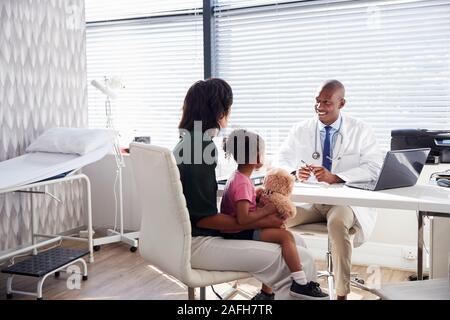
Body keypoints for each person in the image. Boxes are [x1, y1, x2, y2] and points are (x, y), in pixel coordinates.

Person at [174, 78, 319, 300]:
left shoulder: (187, 142)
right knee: (302, 257)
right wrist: (263, 219)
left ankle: (267, 296)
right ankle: (294, 292)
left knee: (296, 242)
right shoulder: (199, 148)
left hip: (184, 238)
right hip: (198, 243)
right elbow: (203, 219)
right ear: (220, 110)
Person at [276, 79, 383, 300]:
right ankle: (280, 285)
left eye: (327, 102)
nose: (320, 106)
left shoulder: (360, 129)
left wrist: (337, 177)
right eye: (317, 101)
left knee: (336, 223)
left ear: (341, 103)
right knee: (276, 220)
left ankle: (341, 294)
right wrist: (295, 172)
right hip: (311, 201)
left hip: (343, 202)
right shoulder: (300, 129)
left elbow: (374, 167)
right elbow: (281, 159)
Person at [220, 129, 328, 299]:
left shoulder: (239, 177)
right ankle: (300, 284)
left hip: (240, 230)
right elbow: (242, 219)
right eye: (263, 152)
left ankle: (266, 293)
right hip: (238, 233)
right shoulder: (242, 183)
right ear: (256, 158)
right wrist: (267, 210)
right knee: (285, 237)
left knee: (282, 233)